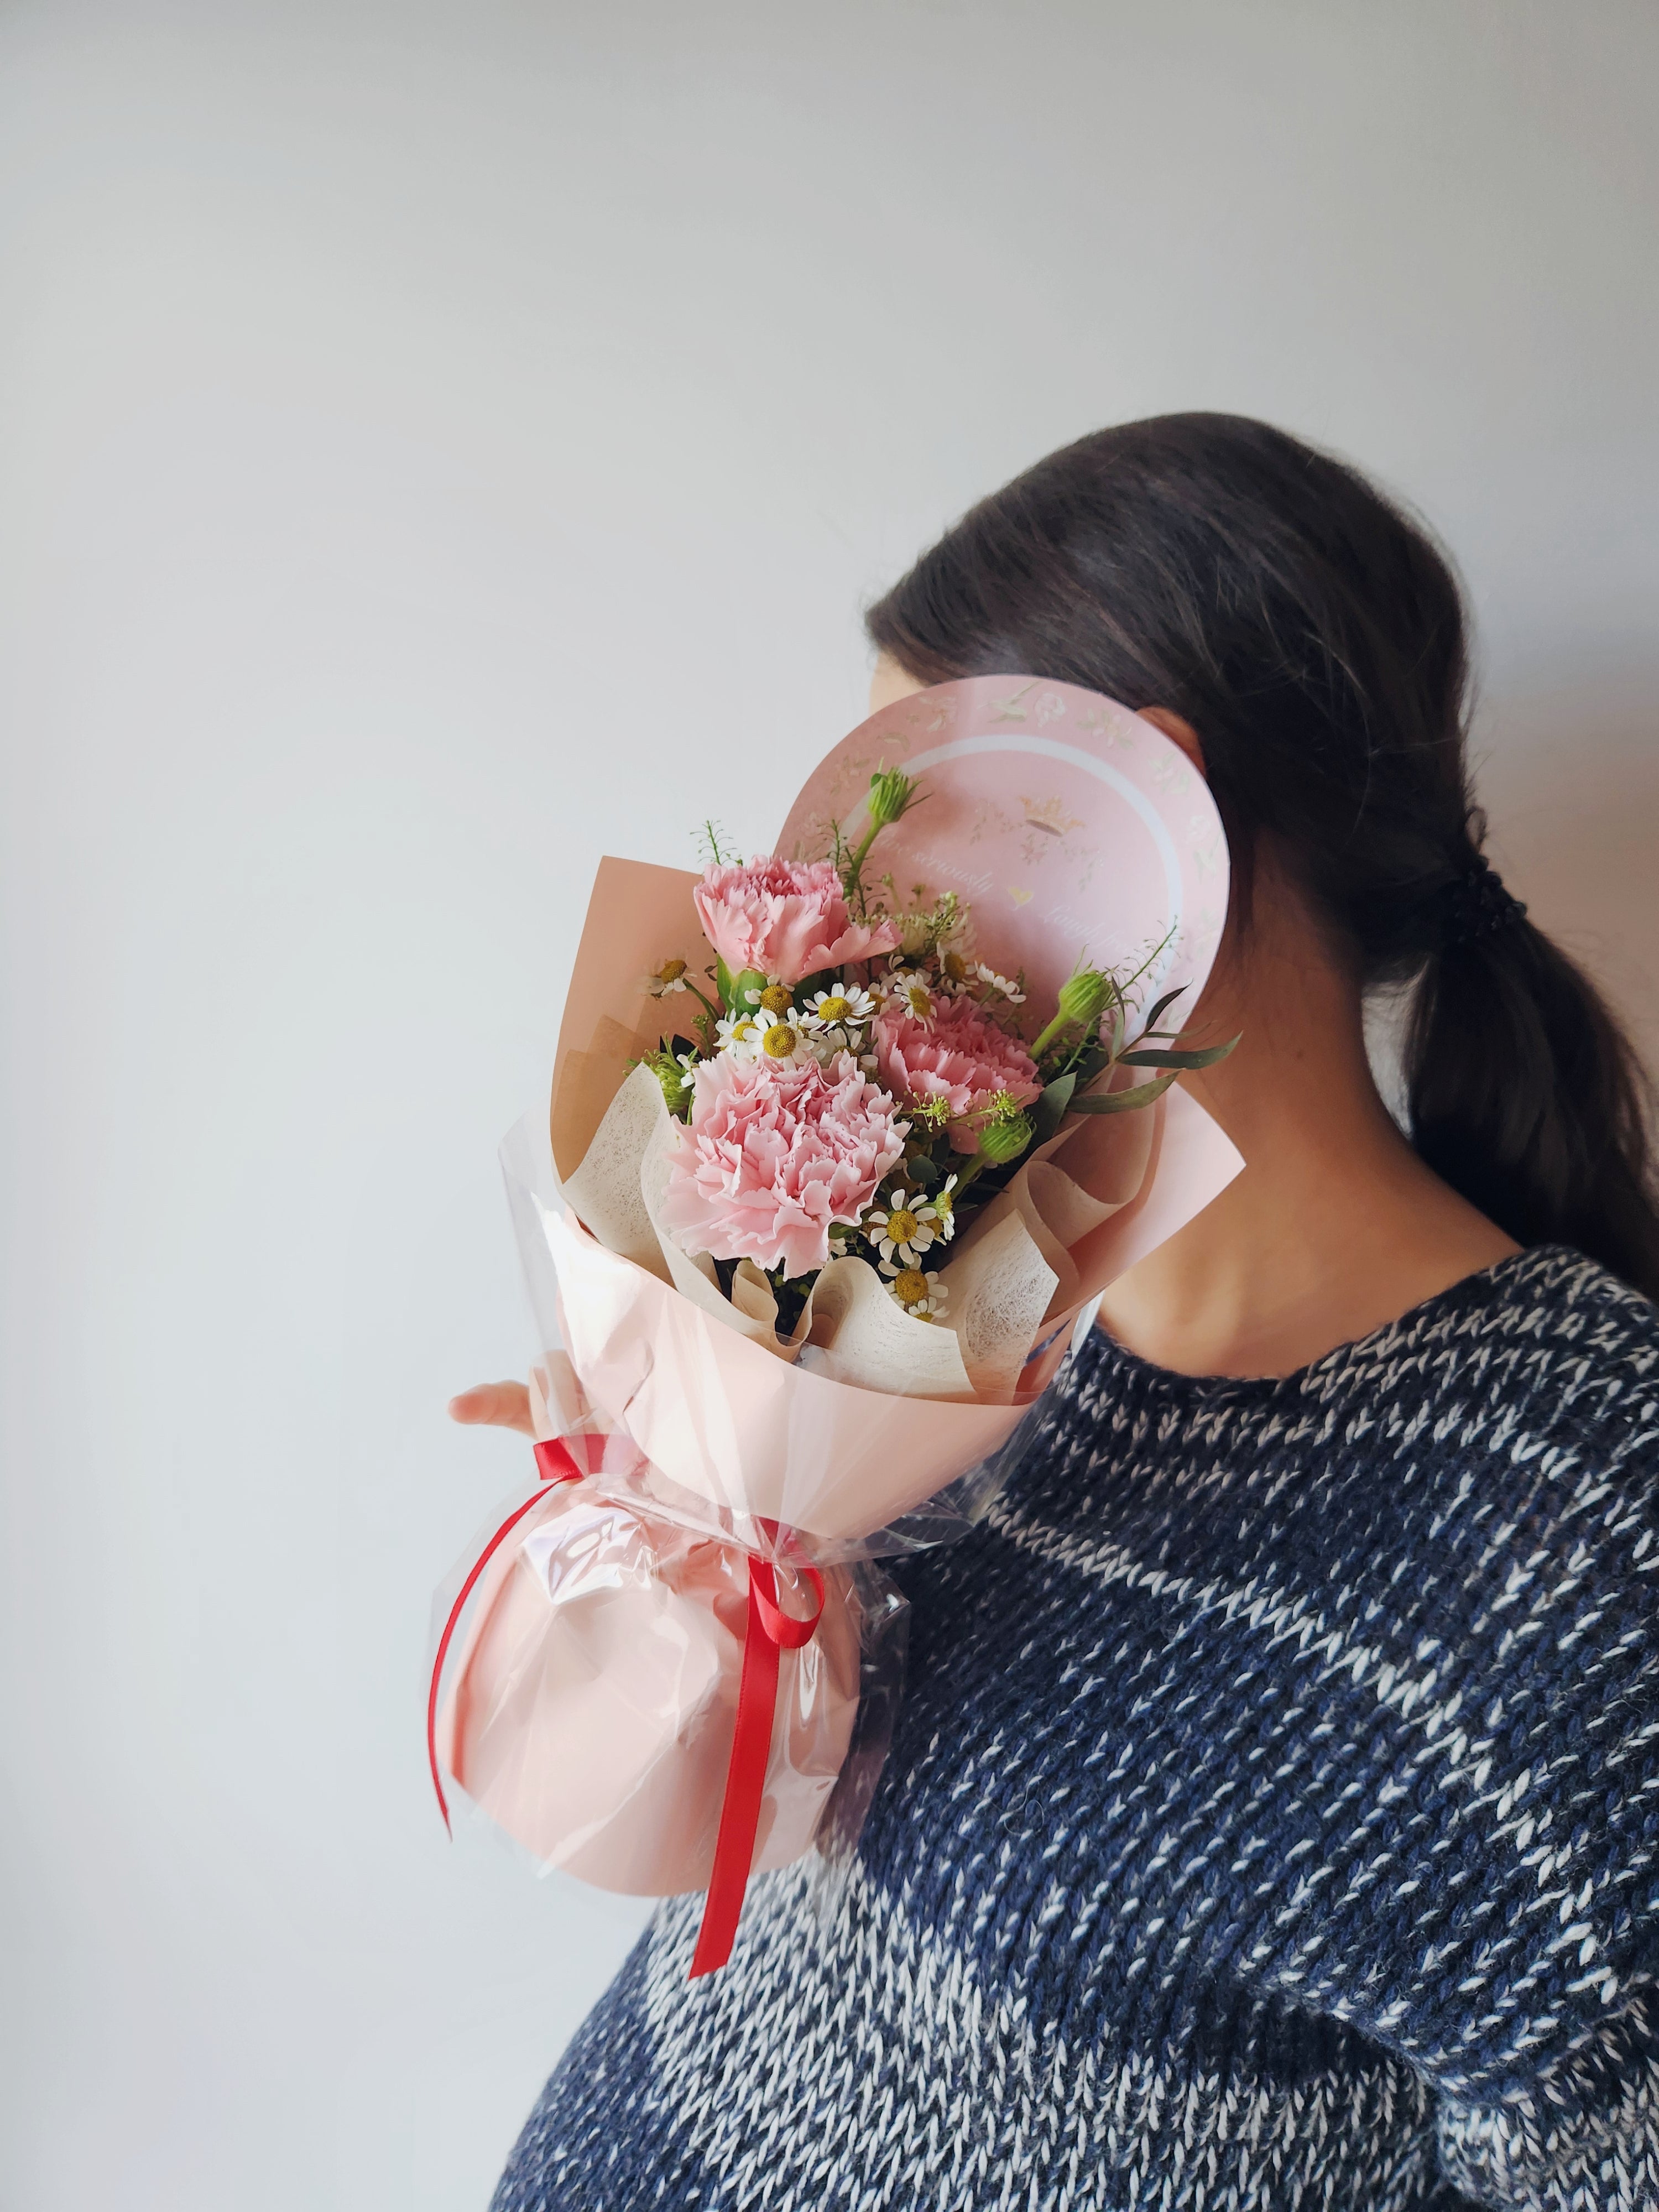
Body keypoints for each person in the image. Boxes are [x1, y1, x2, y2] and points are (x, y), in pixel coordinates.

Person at [454, 415, 1659, 2210]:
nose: (856, 919)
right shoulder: (977, 1352)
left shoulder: (1575, 1514)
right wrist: (676, 1566)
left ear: (1136, 822)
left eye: (905, 821)